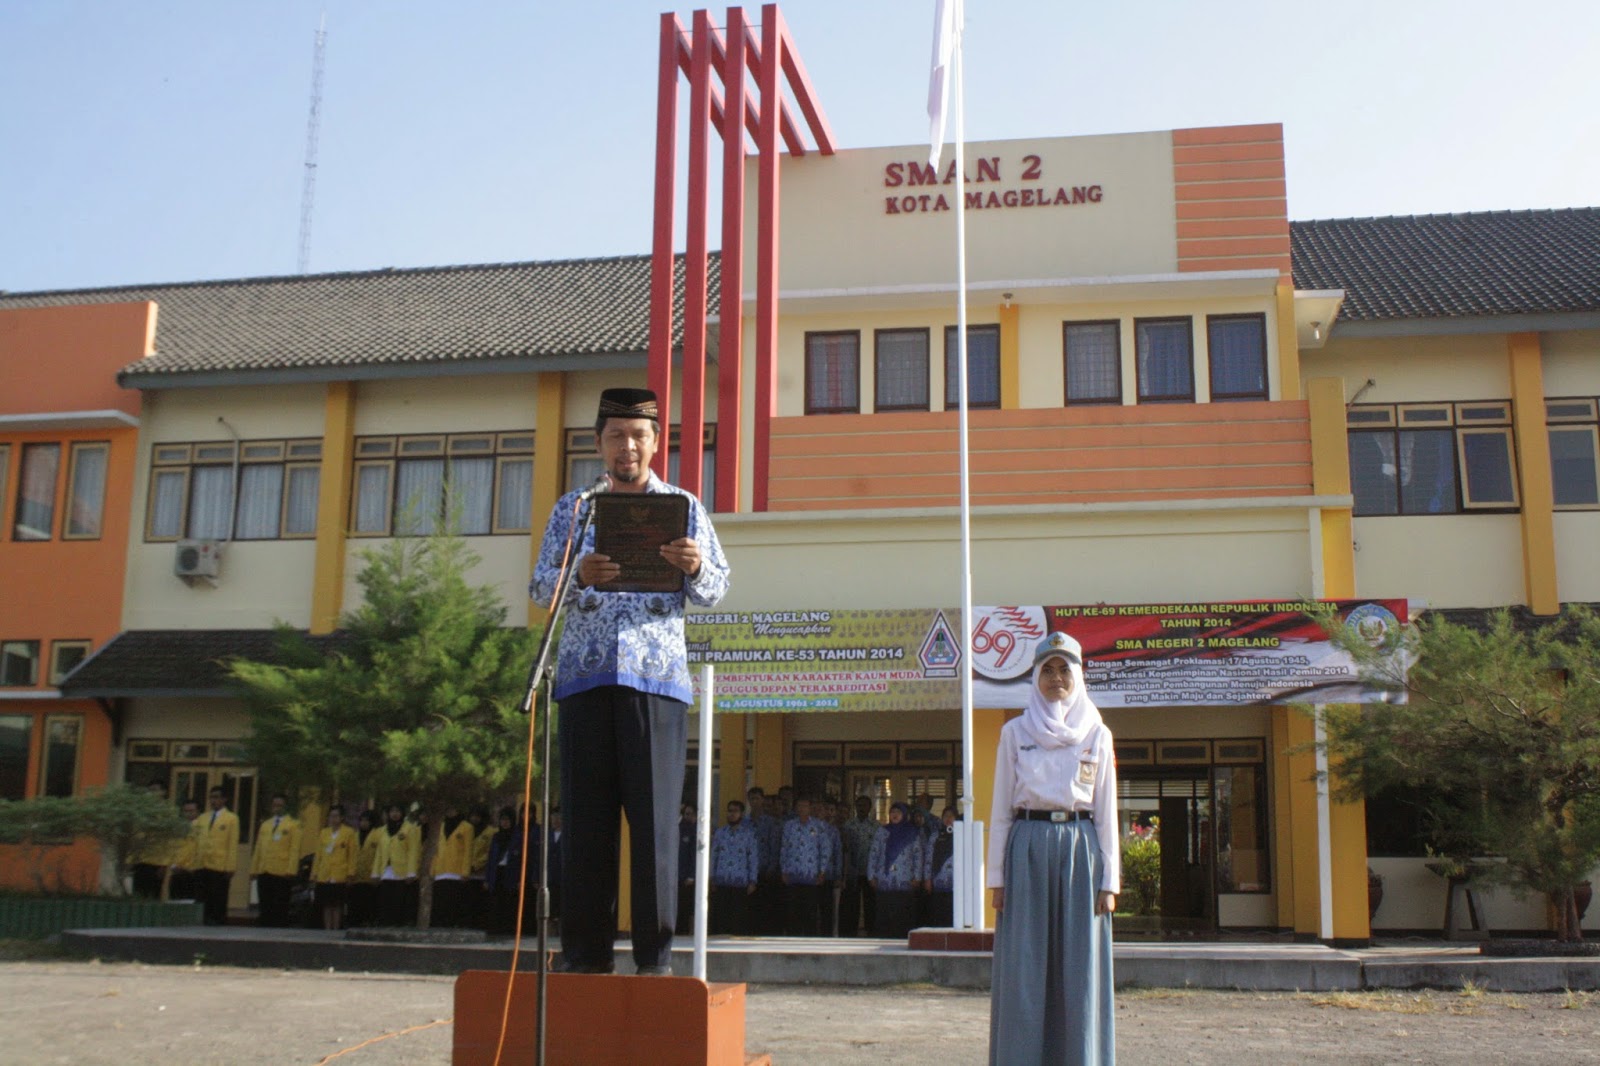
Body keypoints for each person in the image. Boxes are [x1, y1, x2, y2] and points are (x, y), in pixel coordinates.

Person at [531, 386, 731, 976]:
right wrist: (579, 576)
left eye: (639, 435)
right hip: (585, 680)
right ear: (599, 443)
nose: (628, 445)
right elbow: (541, 587)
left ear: (654, 444)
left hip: (656, 681)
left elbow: (718, 588)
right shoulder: (574, 510)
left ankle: (655, 961)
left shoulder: (684, 506)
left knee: (654, 830)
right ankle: (585, 957)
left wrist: (695, 566)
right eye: (616, 435)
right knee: (587, 827)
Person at [988, 631, 1119, 1066]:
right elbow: (1002, 810)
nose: (1057, 678)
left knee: (1079, 965)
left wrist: (1110, 881)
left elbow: (1105, 812)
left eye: (1066, 669)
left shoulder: (1097, 734)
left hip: (1081, 850)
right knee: (1025, 965)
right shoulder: (1015, 732)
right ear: (1035, 677)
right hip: (1026, 849)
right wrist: (997, 878)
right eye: (1048, 669)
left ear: (1078, 676)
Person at [867, 802, 925, 939]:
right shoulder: (882, 831)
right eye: (892, 812)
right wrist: (871, 875)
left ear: (904, 814)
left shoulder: (913, 832)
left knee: (903, 915)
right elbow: (874, 853)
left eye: (898, 812)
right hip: (884, 881)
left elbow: (918, 855)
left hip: (905, 881)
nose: (894, 815)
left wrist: (917, 877)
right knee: (884, 915)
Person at [779, 796, 830, 936]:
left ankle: (810, 939)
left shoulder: (819, 826)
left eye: (805, 806)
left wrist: (822, 870)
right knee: (793, 910)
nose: (802, 809)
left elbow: (825, 849)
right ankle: (793, 939)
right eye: (799, 806)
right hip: (792, 875)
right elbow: (784, 848)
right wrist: (783, 870)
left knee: (810, 911)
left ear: (810, 808)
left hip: (811, 875)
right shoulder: (789, 825)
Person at [249, 794, 301, 927]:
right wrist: (254, 869)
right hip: (264, 868)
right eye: (274, 805)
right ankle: (265, 925)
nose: (277, 808)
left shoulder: (293, 825)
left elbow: (294, 849)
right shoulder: (266, 825)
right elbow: (258, 848)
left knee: (280, 903)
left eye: (280, 805)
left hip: (282, 870)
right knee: (265, 902)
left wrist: (291, 869)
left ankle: (279, 927)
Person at [709, 800, 759, 934]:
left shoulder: (748, 833)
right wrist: (711, 877)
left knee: (738, 916)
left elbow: (752, 857)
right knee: (721, 914)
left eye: (735, 811)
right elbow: (714, 855)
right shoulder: (720, 832)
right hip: (722, 879)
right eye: (729, 810)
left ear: (741, 814)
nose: (731, 814)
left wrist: (753, 880)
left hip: (740, 881)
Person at [194, 786, 240, 926]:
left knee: (218, 897)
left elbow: (232, 844)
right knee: (202, 897)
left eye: (217, 797)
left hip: (220, 864)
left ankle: (218, 922)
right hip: (202, 863)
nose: (214, 800)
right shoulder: (202, 818)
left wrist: (230, 866)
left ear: (224, 799)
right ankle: (203, 922)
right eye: (211, 797)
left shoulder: (231, 818)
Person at [371, 803, 420, 927]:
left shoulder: (409, 828)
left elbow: (413, 851)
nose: (394, 814)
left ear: (402, 813)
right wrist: (375, 873)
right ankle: (386, 922)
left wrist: (411, 872)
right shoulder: (382, 830)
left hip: (402, 870)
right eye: (392, 811)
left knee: (400, 898)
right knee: (385, 898)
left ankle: (399, 923)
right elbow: (379, 853)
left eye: (397, 811)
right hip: (386, 870)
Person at [310, 805, 359, 931]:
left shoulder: (349, 833)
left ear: (342, 818)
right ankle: (327, 929)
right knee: (326, 904)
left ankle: (336, 929)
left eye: (336, 816)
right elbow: (318, 855)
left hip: (340, 873)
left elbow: (352, 855)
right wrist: (314, 874)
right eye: (331, 816)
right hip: (325, 873)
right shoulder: (324, 833)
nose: (333, 819)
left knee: (337, 905)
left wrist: (350, 873)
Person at [840, 796, 879, 937]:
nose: (862, 808)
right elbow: (844, 848)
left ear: (870, 808)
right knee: (852, 902)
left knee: (871, 902)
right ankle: (850, 931)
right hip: (853, 870)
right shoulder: (848, 825)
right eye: (859, 805)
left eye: (865, 805)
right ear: (855, 807)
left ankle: (872, 930)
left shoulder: (876, 827)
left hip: (870, 870)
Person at [433, 806, 475, 928]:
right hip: (441, 869)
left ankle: (452, 924)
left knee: (453, 899)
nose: (450, 811)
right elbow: (436, 849)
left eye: (453, 808)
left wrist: (465, 871)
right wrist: (433, 869)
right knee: (441, 900)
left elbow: (468, 851)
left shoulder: (467, 827)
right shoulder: (440, 826)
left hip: (457, 869)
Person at [485, 806, 523, 935]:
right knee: (495, 902)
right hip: (497, 873)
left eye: (507, 820)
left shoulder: (517, 836)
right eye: (502, 820)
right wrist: (487, 878)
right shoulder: (496, 836)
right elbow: (491, 858)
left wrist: (519, 878)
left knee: (509, 902)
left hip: (510, 873)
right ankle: (494, 928)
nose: (505, 823)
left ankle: (508, 929)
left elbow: (521, 859)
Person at [130, 780, 171, 899]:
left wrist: (164, 864)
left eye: (155, 790)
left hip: (157, 861)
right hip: (140, 860)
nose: (151, 794)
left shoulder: (168, 813)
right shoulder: (141, 812)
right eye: (149, 791)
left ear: (163, 792)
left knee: (153, 894)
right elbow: (135, 837)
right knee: (138, 893)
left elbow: (169, 842)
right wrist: (131, 859)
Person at [926, 806, 958, 928]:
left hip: (957, 885)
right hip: (938, 882)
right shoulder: (935, 836)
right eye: (945, 816)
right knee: (939, 913)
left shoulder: (962, 835)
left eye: (951, 816)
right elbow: (929, 858)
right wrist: (927, 879)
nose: (948, 819)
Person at [348, 810, 380, 927]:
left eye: (366, 820)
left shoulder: (377, 835)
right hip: (356, 876)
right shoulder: (354, 835)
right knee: (355, 903)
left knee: (369, 903)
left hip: (370, 876)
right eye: (361, 820)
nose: (363, 823)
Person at [167, 798, 201, 903]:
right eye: (185, 811)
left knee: (190, 901)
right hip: (177, 870)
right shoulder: (179, 827)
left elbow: (197, 850)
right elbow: (173, 848)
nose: (188, 814)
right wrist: (173, 865)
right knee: (175, 901)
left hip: (192, 871)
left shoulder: (201, 827)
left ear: (198, 812)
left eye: (191, 811)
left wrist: (189, 867)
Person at [676, 803, 697, 935]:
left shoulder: (692, 829)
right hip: (672, 875)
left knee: (685, 907)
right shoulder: (673, 827)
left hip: (685, 877)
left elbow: (694, 854)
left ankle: (683, 932)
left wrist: (691, 875)